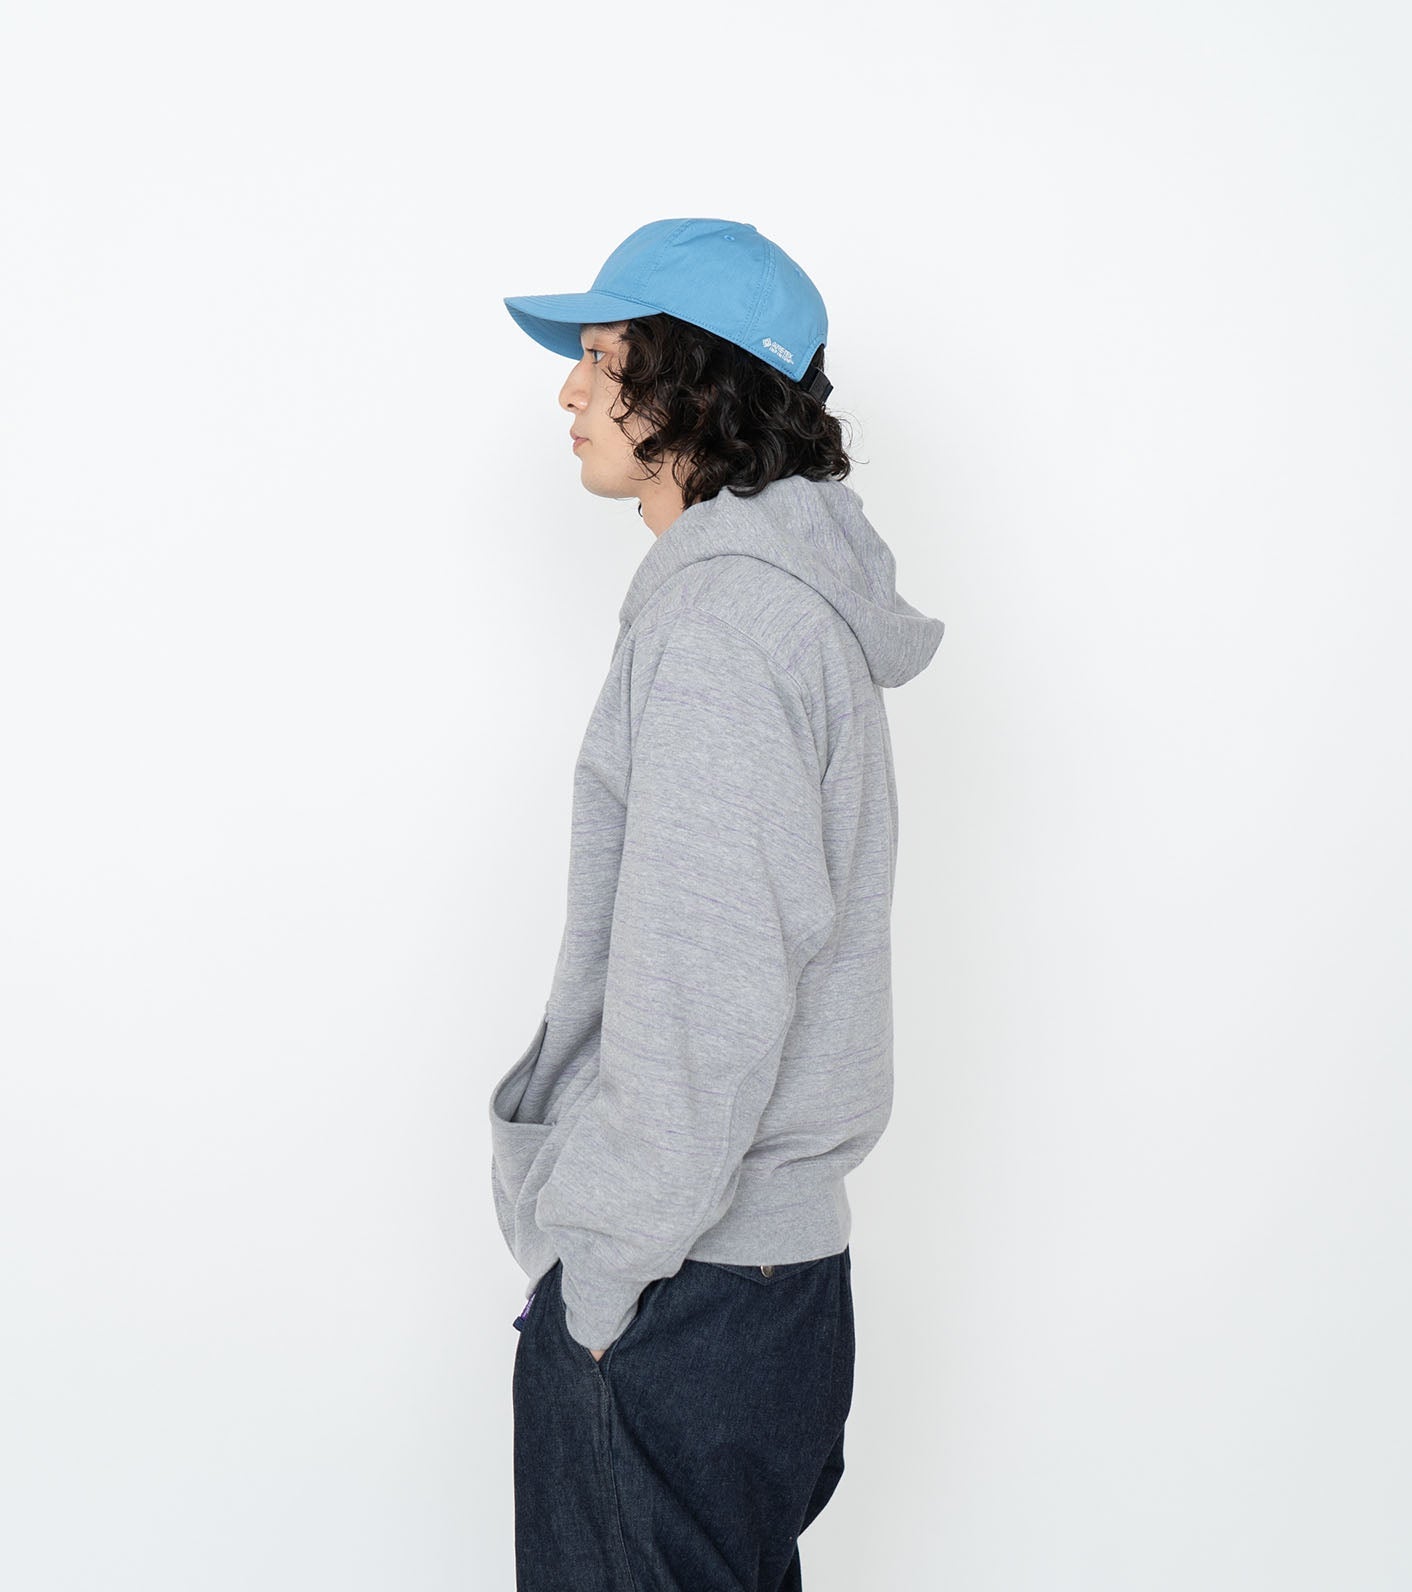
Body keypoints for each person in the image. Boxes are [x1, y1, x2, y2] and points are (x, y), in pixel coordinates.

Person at [489, 217, 945, 1591]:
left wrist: (600, 1281)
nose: (570, 389)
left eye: (602, 355)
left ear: (693, 380)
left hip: (681, 1292)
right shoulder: (782, 608)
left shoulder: (723, 626)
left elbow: (711, 988)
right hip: (758, 1294)